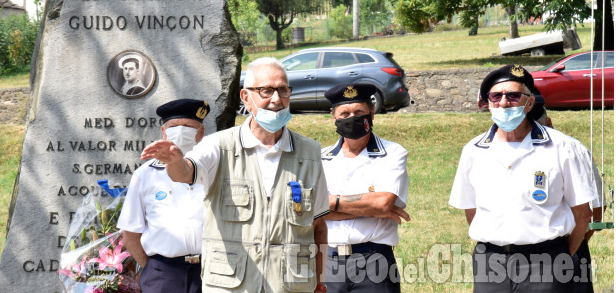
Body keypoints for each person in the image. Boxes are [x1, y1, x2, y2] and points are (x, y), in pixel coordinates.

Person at [140, 57, 330, 293]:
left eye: (283, 90)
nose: (276, 99)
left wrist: (320, 280)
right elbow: (186, 173)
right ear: (246, 98)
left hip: (292, 286)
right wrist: (175, 162)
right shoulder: (218, 146)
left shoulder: (310, 152)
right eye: (266, 90)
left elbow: (318, 225)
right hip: (232, 286)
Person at [449, 64, 597, 293]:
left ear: (529, 103)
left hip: (547, 263)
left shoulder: (562, 147)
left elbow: (583, 213)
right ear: (488, 104)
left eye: (513, 96)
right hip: (491, 264)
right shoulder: (473, 151)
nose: (504, 103)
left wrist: (561, 256)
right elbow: (471, 211)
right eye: (496, 96)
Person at [321, 83, 410, 293]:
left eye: (359, 112)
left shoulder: (393, 153)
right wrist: (369, 208)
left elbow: (383, 203)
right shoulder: (320, 157)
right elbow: (312, 211)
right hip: (328, 263)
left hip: (374, 263)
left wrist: (331, 203)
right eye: (345, 113)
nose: (352, 117)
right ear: (334, 116)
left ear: (372, 113)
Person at [117, 98, 209, 293]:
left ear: (201, 132)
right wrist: (152, 268)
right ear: (163, 132)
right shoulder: (145, 174)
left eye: (188, 126)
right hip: (164, 274)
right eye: (174, 126)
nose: (181, 131)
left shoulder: (214, 170)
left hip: (211, 270)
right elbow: (130, 235)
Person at [528, 92, 605, 293]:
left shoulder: (573, 150)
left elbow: (596, 210)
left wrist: (571, 247)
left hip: (567, 253)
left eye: (535, 127)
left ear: (549, 123)